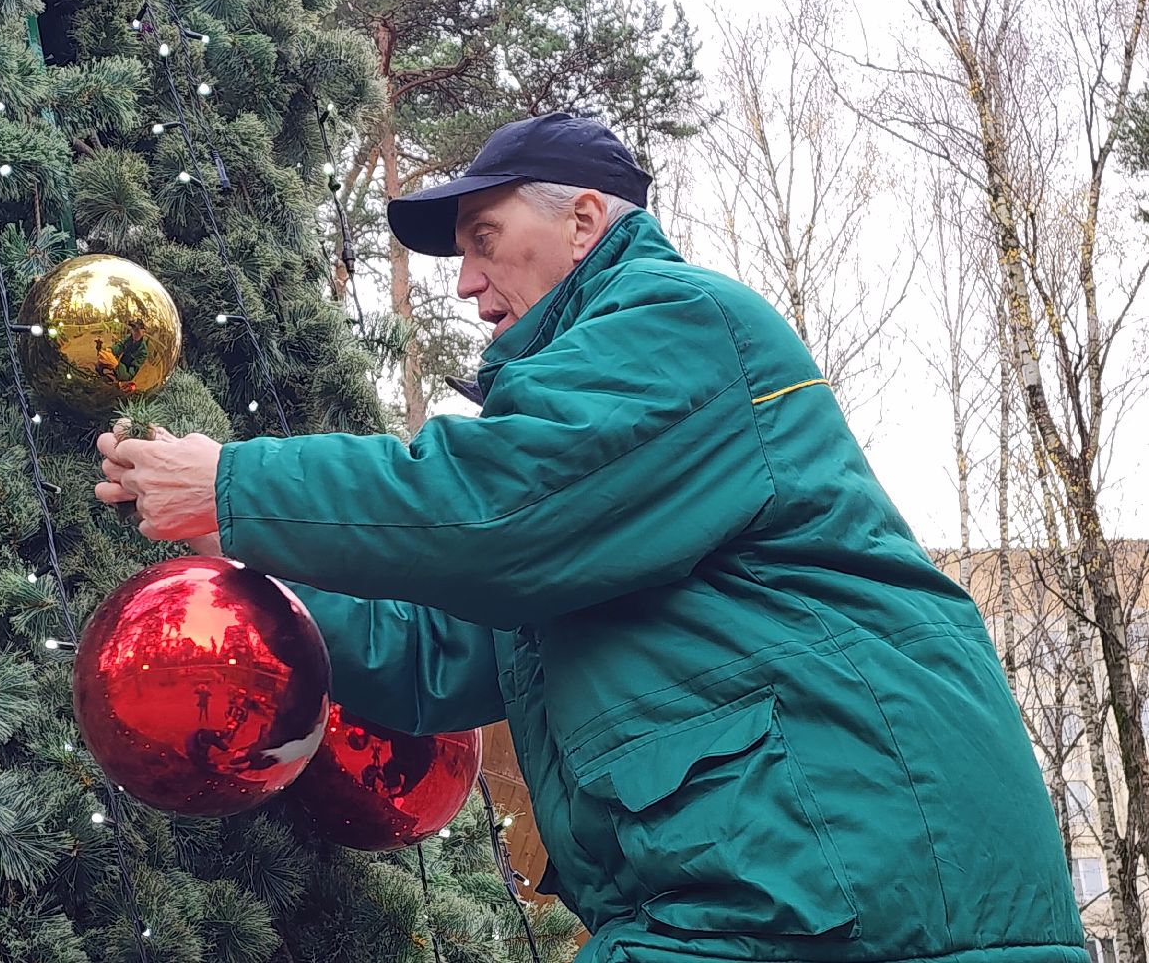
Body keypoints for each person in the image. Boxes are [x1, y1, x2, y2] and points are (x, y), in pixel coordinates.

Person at [94, 113, 1084, 963]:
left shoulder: (677, 323)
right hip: (768, 890)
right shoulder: (593, 452)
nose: (466, 284)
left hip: (856, 884)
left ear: (585, 220)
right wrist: (239, 580)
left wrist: (234, 485)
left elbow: (499, 511)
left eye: (484, 238)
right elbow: (438, 647)